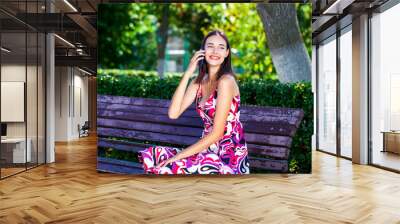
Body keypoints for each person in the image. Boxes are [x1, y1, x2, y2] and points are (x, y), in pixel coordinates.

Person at [138, 30, 250, 174]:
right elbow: (173, 113)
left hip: (228, 157)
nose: (215, 51)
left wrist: (179, 156)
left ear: (227, 53)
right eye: (210, 46)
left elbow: (217, 133)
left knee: (169, 167)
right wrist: (189, 71)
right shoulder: (198, 82)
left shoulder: (226, 81)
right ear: (203, 50)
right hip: (206, 151)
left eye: (221, 47)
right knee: (154, 155)